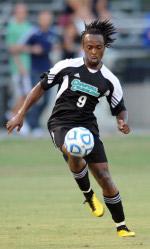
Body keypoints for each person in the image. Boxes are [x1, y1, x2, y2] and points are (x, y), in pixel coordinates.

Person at [6, 19, 135, 237]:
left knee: (104, 176)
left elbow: (120, 108)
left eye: (98, 48)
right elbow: (40, 88)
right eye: (89, 47)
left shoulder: (110, 80)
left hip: (88, 127)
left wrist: (122, 121)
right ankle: (88, 195)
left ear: (104, 48)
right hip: (60, 122)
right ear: (83, 47)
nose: (94, 52)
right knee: (73, 149)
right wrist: (20, 114)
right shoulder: (67, 66)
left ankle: (121, 226)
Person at [18, 10, 60, 135]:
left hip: (49, 71)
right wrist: (32, 49)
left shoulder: (53, 33)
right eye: (44, 18)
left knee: (46, 100)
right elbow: (19, 47)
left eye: (49, 18)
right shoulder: (33, 33)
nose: (47, 21)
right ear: (39, 20)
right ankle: (32, 124)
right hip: (35, 71)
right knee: (34, 98)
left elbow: (58, 47)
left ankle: (33, 123)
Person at [5, 3, 32, 135]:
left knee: (27, 95)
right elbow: (12, 49)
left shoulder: (28, 26)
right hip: (19, 68)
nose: (22, 14)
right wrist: (20, 66)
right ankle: (14, 115)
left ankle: (17, 117)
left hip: (27, 66)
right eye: (20, 11)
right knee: (24, 96)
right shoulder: (12, 27)